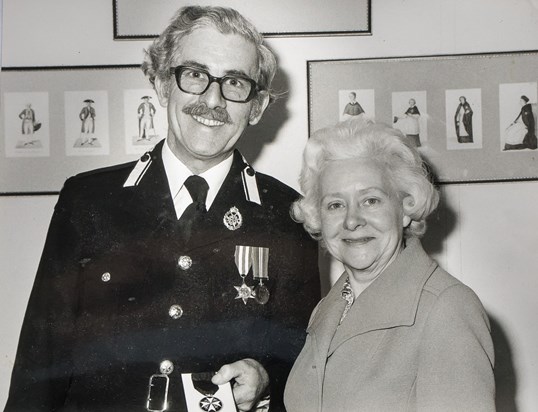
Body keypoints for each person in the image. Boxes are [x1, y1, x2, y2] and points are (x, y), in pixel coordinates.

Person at [5, 6, 320, 412]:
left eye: (235, 83)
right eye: (194, 75)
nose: (213, 100)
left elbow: (304, 359)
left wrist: (266, 378)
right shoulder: (88, 201)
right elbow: (40, 365)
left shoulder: (287, 216)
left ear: (256, 107)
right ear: (161, 84)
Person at [284, 117, 495, 411]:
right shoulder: (328, 308)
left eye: (370, 200)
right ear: (318, 217)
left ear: (406, 207)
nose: (352, 220)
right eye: (335, 204)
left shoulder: (447, 308)